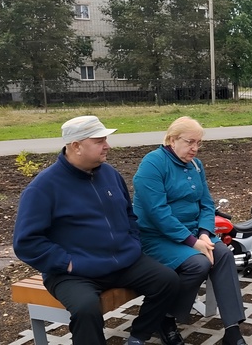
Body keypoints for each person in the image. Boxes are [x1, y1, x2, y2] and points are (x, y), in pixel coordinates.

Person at [13, 115, 180, 345]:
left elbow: (129, 215)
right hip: (74, 272)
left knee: (168, 281)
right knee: (85, 310)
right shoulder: (43, 187)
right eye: (99, 141)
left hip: (122, 260)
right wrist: (66, 263)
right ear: (76, 146)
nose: (107, 146)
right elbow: (26, 241)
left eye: (106, 140)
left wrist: (132, 243)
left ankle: (138, 336)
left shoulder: (109, 174)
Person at [132, 116, 247, 345]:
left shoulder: (196, 165)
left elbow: (206, 203)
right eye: (190, 142)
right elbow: (157, 213)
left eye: (199, 143)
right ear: (172, 140)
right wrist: (192, 241)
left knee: (223, 254)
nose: (195, 148)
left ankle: (232, 329)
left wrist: (204, 232)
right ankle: (165, 318)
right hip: (157, 237)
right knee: (199, 263)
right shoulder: (152, 164)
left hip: (193, 233)